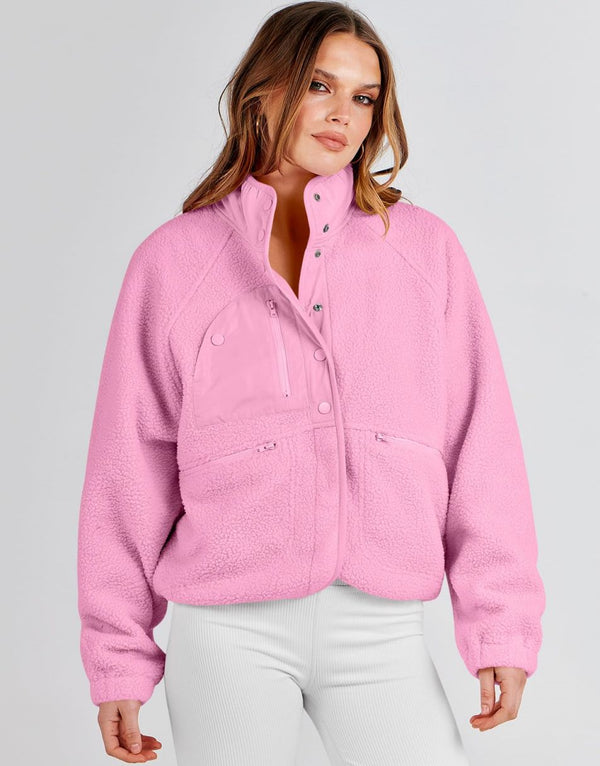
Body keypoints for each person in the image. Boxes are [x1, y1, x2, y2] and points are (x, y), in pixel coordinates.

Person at [77, 2, 546, 764]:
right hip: (225, 630)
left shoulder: (423, 251)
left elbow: (481, 444)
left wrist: (500, 624)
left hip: (381, 625)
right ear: (265, 89)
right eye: (320, 86)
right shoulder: (172, 263)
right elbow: (127, 470)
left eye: (364, 97)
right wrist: (118, 657)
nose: (343, 115)